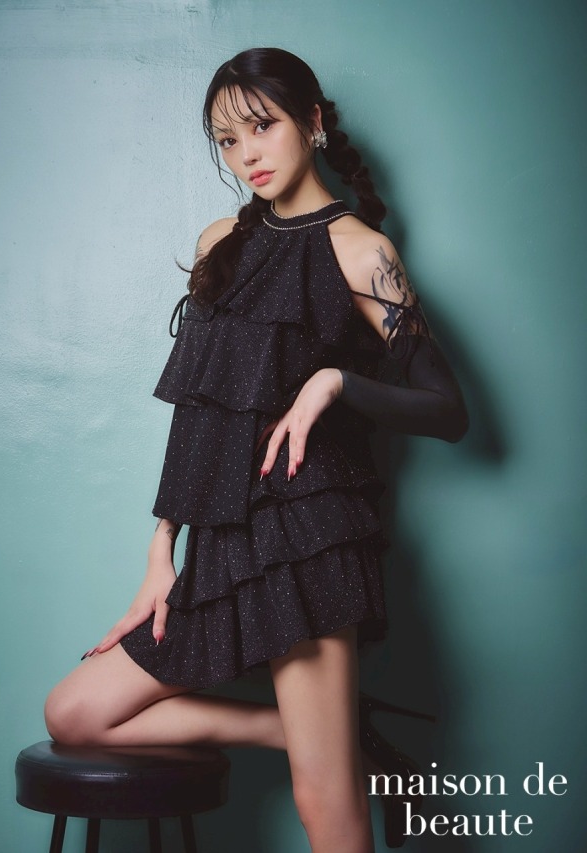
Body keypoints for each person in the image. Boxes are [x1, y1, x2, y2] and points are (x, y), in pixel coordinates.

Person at [45, 47, 468, 852]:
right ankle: (320, 734)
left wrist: (335, 382)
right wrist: (162, 549)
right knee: (74, 711)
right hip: (221, 542)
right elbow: (199, 415)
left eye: (262, 127)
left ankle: (331, 749)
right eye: (227, 140)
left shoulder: (362, 252)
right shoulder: (221, 242)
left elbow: (450, 409)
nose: (247, 155)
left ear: (312, 121)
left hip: (306, 541)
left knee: (324, 804)